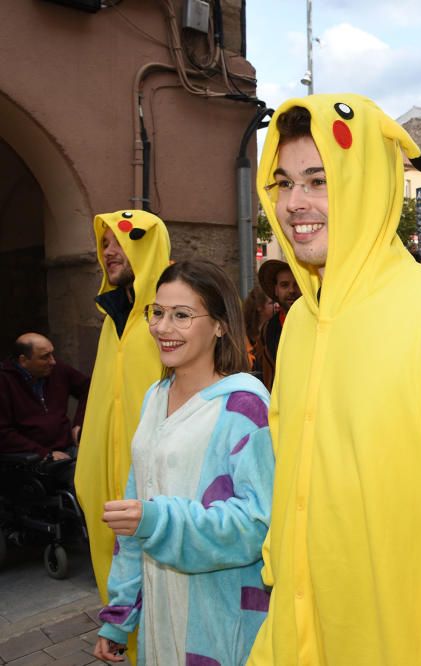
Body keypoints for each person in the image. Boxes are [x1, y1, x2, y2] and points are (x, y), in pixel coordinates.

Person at [248, 94, 421, 665]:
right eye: (283, 182)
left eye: (318, 180)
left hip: (399, 641)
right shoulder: (299, 320)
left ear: (367, 184)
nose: (294, 203)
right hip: (299, 634)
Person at [93, 260, 274, 665]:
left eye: (181, 315)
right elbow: (135, 513)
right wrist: (120, 616)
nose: (162, 328)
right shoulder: (154, 398)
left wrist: (157, 521)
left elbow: (256, 526)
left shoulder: (245, 406)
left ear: (220, 325)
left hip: (219, 622)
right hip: (161, 618)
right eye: (156, 313)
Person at [76, 210, 170, 605]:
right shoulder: (110, 322)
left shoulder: (168, 321)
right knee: (119, 589)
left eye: (119, 242)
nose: (108, 252)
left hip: (158, 490)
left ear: (145, 247)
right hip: (109, 486)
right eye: (105, 243)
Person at [0, 333, 89, 458]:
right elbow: (3, 433)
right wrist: (45, 454)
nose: (52, 361)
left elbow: (89, 388)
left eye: (52, 354)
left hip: (69, 447)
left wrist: (80, 422)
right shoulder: (5, 381)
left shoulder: (57, 369)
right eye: (44, 357)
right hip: (30, 459)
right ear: (23, 360)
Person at [253, 260, 301, 391]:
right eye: (284, 285)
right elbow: (260, 371)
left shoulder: (318, 325)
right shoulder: (267, 329)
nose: (291, 290)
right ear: (276, 290)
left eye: (297, 284)